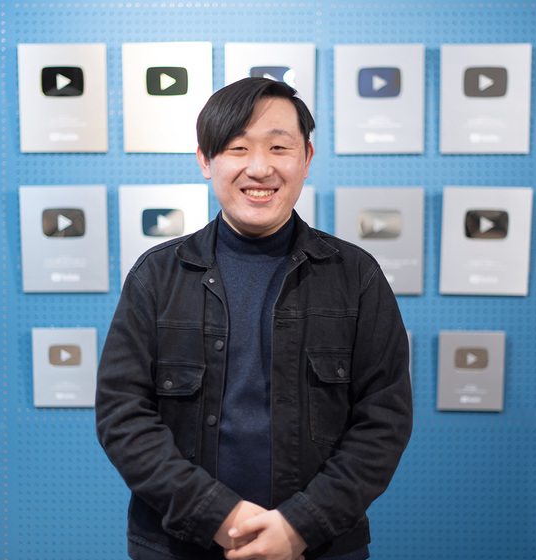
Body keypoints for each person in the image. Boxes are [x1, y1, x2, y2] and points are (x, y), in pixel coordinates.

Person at [95, 77, 413, 560]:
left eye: (279, 148)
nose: (259, 168)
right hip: (178, 546)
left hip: (319, 548)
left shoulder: (356, 276)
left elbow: (383, 421)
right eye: (237, 148)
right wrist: (218, 516)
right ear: (206, 160)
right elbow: (122, 416)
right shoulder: (156, 276)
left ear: (307, 157)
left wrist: (300, 525)